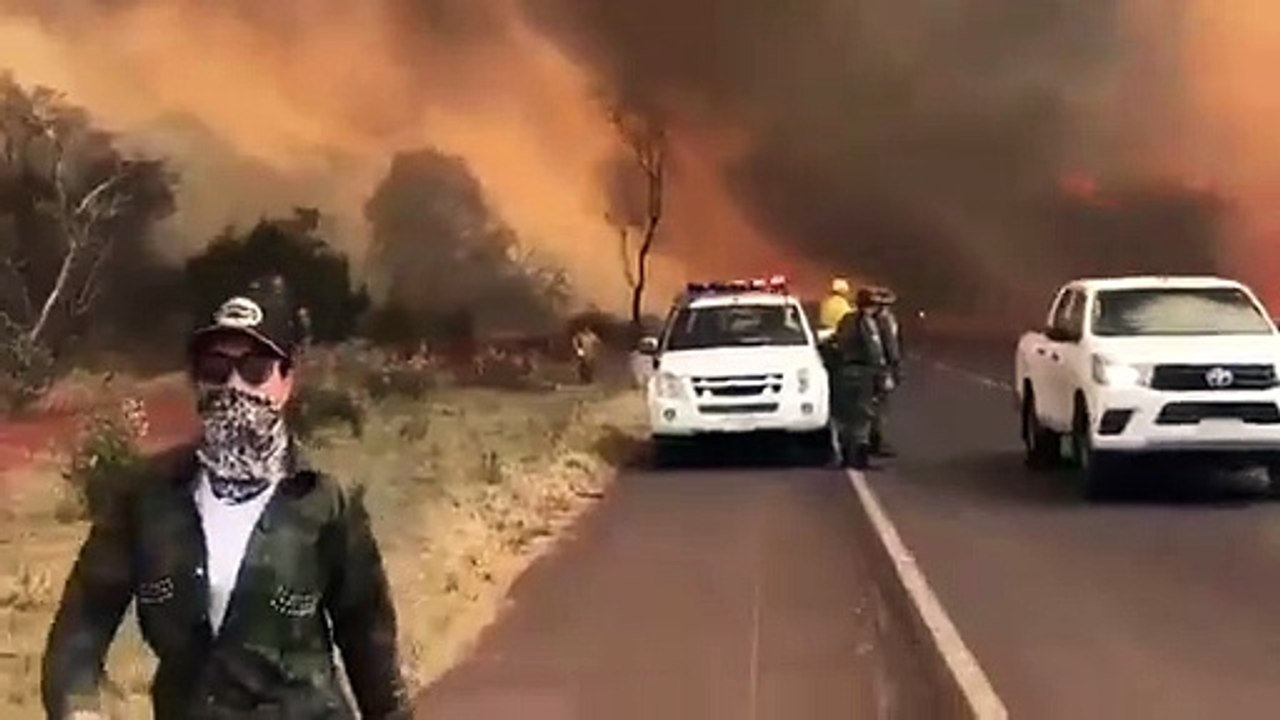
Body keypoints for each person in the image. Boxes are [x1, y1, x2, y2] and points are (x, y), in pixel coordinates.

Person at [42, 279, 411, 720]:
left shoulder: (326, 500)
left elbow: (369, 645)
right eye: (215, 369)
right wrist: (79, 709)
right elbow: (81, 626)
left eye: (255, 368)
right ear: (196, 382)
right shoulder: (145, 499)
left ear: (285, 382)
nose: (234, 385)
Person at [829, 287, 888, 469]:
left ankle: (846, 458)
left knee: (845, 417)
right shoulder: (867, 323)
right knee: (863, 418)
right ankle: (860, 461)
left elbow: (835, 342)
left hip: (844, 372)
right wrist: (882, 374)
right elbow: (874, 350)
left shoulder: (846, 319)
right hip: (863, 373)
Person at [869, 286, 903, 457]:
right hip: (881, 367)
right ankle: (875, 442)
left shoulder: (869, 318)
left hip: (872, 366)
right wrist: (895, 367)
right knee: (879, 406)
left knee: (872, 404)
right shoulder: (884, 320)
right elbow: (890, 345)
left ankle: (870, 440)